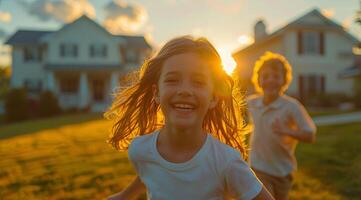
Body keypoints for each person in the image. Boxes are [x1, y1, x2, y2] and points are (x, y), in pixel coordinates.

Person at [105, 36, 274, 200]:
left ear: (213, 98)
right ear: (157, 93)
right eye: (172, 80)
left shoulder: (226, 162)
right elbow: (149, 172)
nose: (184, 90)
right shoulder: (140, 150)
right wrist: (125, 195)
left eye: (198, 82)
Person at [247, 52, 316, 200]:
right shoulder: (252, 103)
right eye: (265, 76)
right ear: (258, 80)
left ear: (284, 80)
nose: (270, 80)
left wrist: (287, 130)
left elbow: (310, 135)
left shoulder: (291, 106)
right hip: (258, 168)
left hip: (283, 171)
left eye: (276, 76)